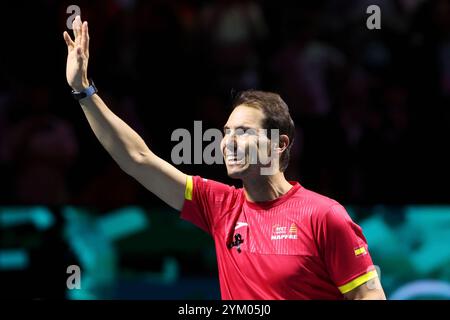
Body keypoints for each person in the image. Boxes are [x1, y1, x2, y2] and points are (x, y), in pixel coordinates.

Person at [63, 15, 386, 300]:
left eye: (243, 132)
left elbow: (368, 294)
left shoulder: (324, 216)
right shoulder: (218, 207)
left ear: (278, 144)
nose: (228, 142)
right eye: (226, 132)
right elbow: (138, 158)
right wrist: (84, 91)